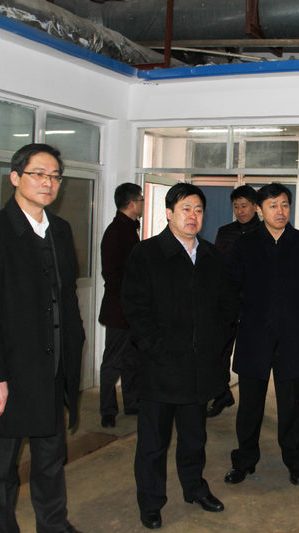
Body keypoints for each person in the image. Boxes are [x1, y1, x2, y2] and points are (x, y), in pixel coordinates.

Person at [0, 143, 86, 533]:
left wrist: (73, 352)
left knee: (50, 458)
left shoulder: (60, 230)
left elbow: (66, 296)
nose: (48, 183)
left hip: (53, 368)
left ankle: (53, 524)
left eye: (54, 176)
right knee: (1, 468)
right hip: (11, 374)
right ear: (15, 178)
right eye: (38, 174)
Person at [121, 183, 236, 530]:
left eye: (198, 210)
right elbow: (135, 309)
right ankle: (151, 502)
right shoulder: (146, 254)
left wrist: (215, 350)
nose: (193, 216)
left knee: (194, 437)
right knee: (153, 443)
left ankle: (195, 488)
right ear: (169, 213)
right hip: (159, 368)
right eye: (185, 208)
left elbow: (226, 309)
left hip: (199, 369)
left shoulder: (212, 256)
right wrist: (156, 348)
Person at [224, 182, 299, 487]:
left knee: (291, 405)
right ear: (259, 209)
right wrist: (241, 316)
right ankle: (244, 461)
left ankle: (295, 462)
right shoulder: (245, 245)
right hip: (254, 336)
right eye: (272, 206)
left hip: (291, 337)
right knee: (249, 406)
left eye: (284, 205)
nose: (280, 211)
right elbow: (231, 286)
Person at [207, 185, 262, 418]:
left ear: (255, 207)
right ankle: (222, 393)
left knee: (253, 355)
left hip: (255, 305)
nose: (240, 211)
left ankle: (252, 403)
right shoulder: (225, 232)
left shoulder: (266, 232)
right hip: (228, 302)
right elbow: (216, 266)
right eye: (236, 206)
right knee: (219, 350)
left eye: (244, 206)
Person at [98, 183, 144, 428]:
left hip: (132, 309)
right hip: (119, 310)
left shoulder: (129, 229)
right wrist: (131, 295)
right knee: (113, 361)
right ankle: (107, 410)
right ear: (132, 203)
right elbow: (112, 274)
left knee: (132, 359)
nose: (143, 203)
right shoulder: (116, 231)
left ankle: (132, 402)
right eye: (141, 199)